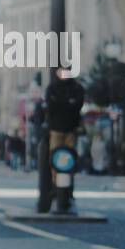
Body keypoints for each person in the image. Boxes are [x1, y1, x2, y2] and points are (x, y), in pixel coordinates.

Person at [38, 70, 85, 213]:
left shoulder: (76, 88)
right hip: (57, 130)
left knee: (68, 162)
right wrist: (67, 103)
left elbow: (77, 105)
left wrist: (61, 103)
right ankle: (55, 191)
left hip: (69, 129)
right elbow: (51, 106)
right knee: (55, 161)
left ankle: (67, 192)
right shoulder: (53, 88)